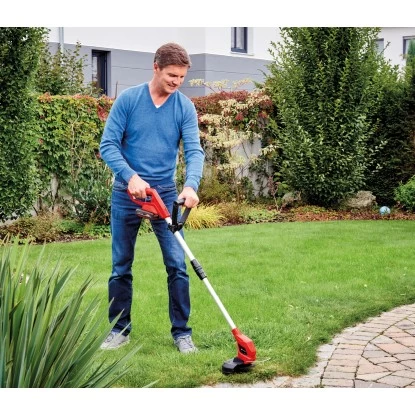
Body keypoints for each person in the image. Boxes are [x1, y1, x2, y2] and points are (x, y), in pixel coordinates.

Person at [99, 42, 205, 353]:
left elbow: (194, 151)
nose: (177, 82)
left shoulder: (184, 107)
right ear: (156, 67)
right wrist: (130, 176)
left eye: (182, 77)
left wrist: (191, 185)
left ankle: (182, 333)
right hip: (127, 193)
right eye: (172, 75)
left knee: (177, 264)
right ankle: (119, 330)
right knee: (121, 265)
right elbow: (108, 145)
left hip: (165, 195)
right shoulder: (129, 100)